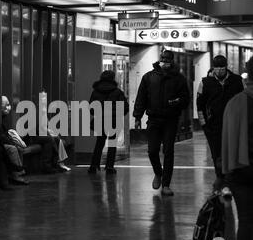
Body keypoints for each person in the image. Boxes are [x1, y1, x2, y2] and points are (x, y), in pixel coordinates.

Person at [133, 50, 190, 196]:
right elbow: (141, 98)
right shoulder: (149, 77)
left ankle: (166, 185)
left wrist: (177, 102)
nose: (165, 61)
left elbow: (186, 99)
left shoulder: (179, 79)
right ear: (160, 60)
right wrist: (137, 117)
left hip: (171, 120)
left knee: (168, 151)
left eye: (168, 59)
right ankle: (158, 173)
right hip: (153, 119)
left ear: (172, 61)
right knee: (152, 151)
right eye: (163, 59)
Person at [222, 56, 253, 240]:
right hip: (243, 173)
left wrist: (226, 173)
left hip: (241, 173)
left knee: (246, 220)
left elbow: (226, 141)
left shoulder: (234, 103)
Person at [197, 55, 244, 195]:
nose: (219, 71)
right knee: (216, 154)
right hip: (213, 126)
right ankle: (221, 179)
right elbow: (200, 105)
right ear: (213, 68)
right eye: (216, 68)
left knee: (231, 153)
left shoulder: (237, 81)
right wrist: (204, 125)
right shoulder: (205, 82)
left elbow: (243, 101)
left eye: (222, 68)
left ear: (226, 67)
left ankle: (229, 180)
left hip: (233, 125)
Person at [88, 70, 129, 175]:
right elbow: (125, 108)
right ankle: (109, 167)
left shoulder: (95, 92)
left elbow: (91, 109)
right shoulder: (117, 92)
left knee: (99, 144)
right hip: (113, 121)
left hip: (99, 121)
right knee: (112, 144)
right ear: (112, 78)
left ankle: (93, 166)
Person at [0, 96, 29, 185]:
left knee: (19, 147)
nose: (8, 107)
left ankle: (18, 172)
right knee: (12, 148)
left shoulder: (3, 117)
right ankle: (16, 175)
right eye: (6, 105)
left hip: (2, 141)